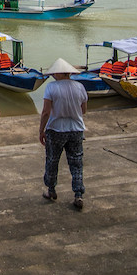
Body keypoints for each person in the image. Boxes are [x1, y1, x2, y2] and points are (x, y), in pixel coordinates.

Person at [39, 57, 88, 210]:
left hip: (56, 129)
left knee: (52, 161)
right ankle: (78, 194)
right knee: (76, 162)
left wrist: (41, 130)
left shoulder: (51, 88)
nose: (53, 76)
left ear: (60, 73)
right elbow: (83, 110)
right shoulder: (79, 87)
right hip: (76, 129)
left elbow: (46, 112)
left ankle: (51, 190)